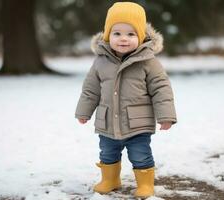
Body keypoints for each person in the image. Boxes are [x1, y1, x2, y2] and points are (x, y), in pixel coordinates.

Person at [75, 2, 177, 198]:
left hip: (137, 123)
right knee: (107, 153)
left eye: (131, 34)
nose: (124, 39)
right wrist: (83, 112)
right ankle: (110, 179)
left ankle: (145, 184)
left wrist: (166, 116)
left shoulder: (149, 61)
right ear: (107, 35)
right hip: (108, 123)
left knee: (140, 155)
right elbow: (90, 90)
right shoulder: (100, 61)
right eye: (117, 33)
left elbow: (162, 90)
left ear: (141, 36)